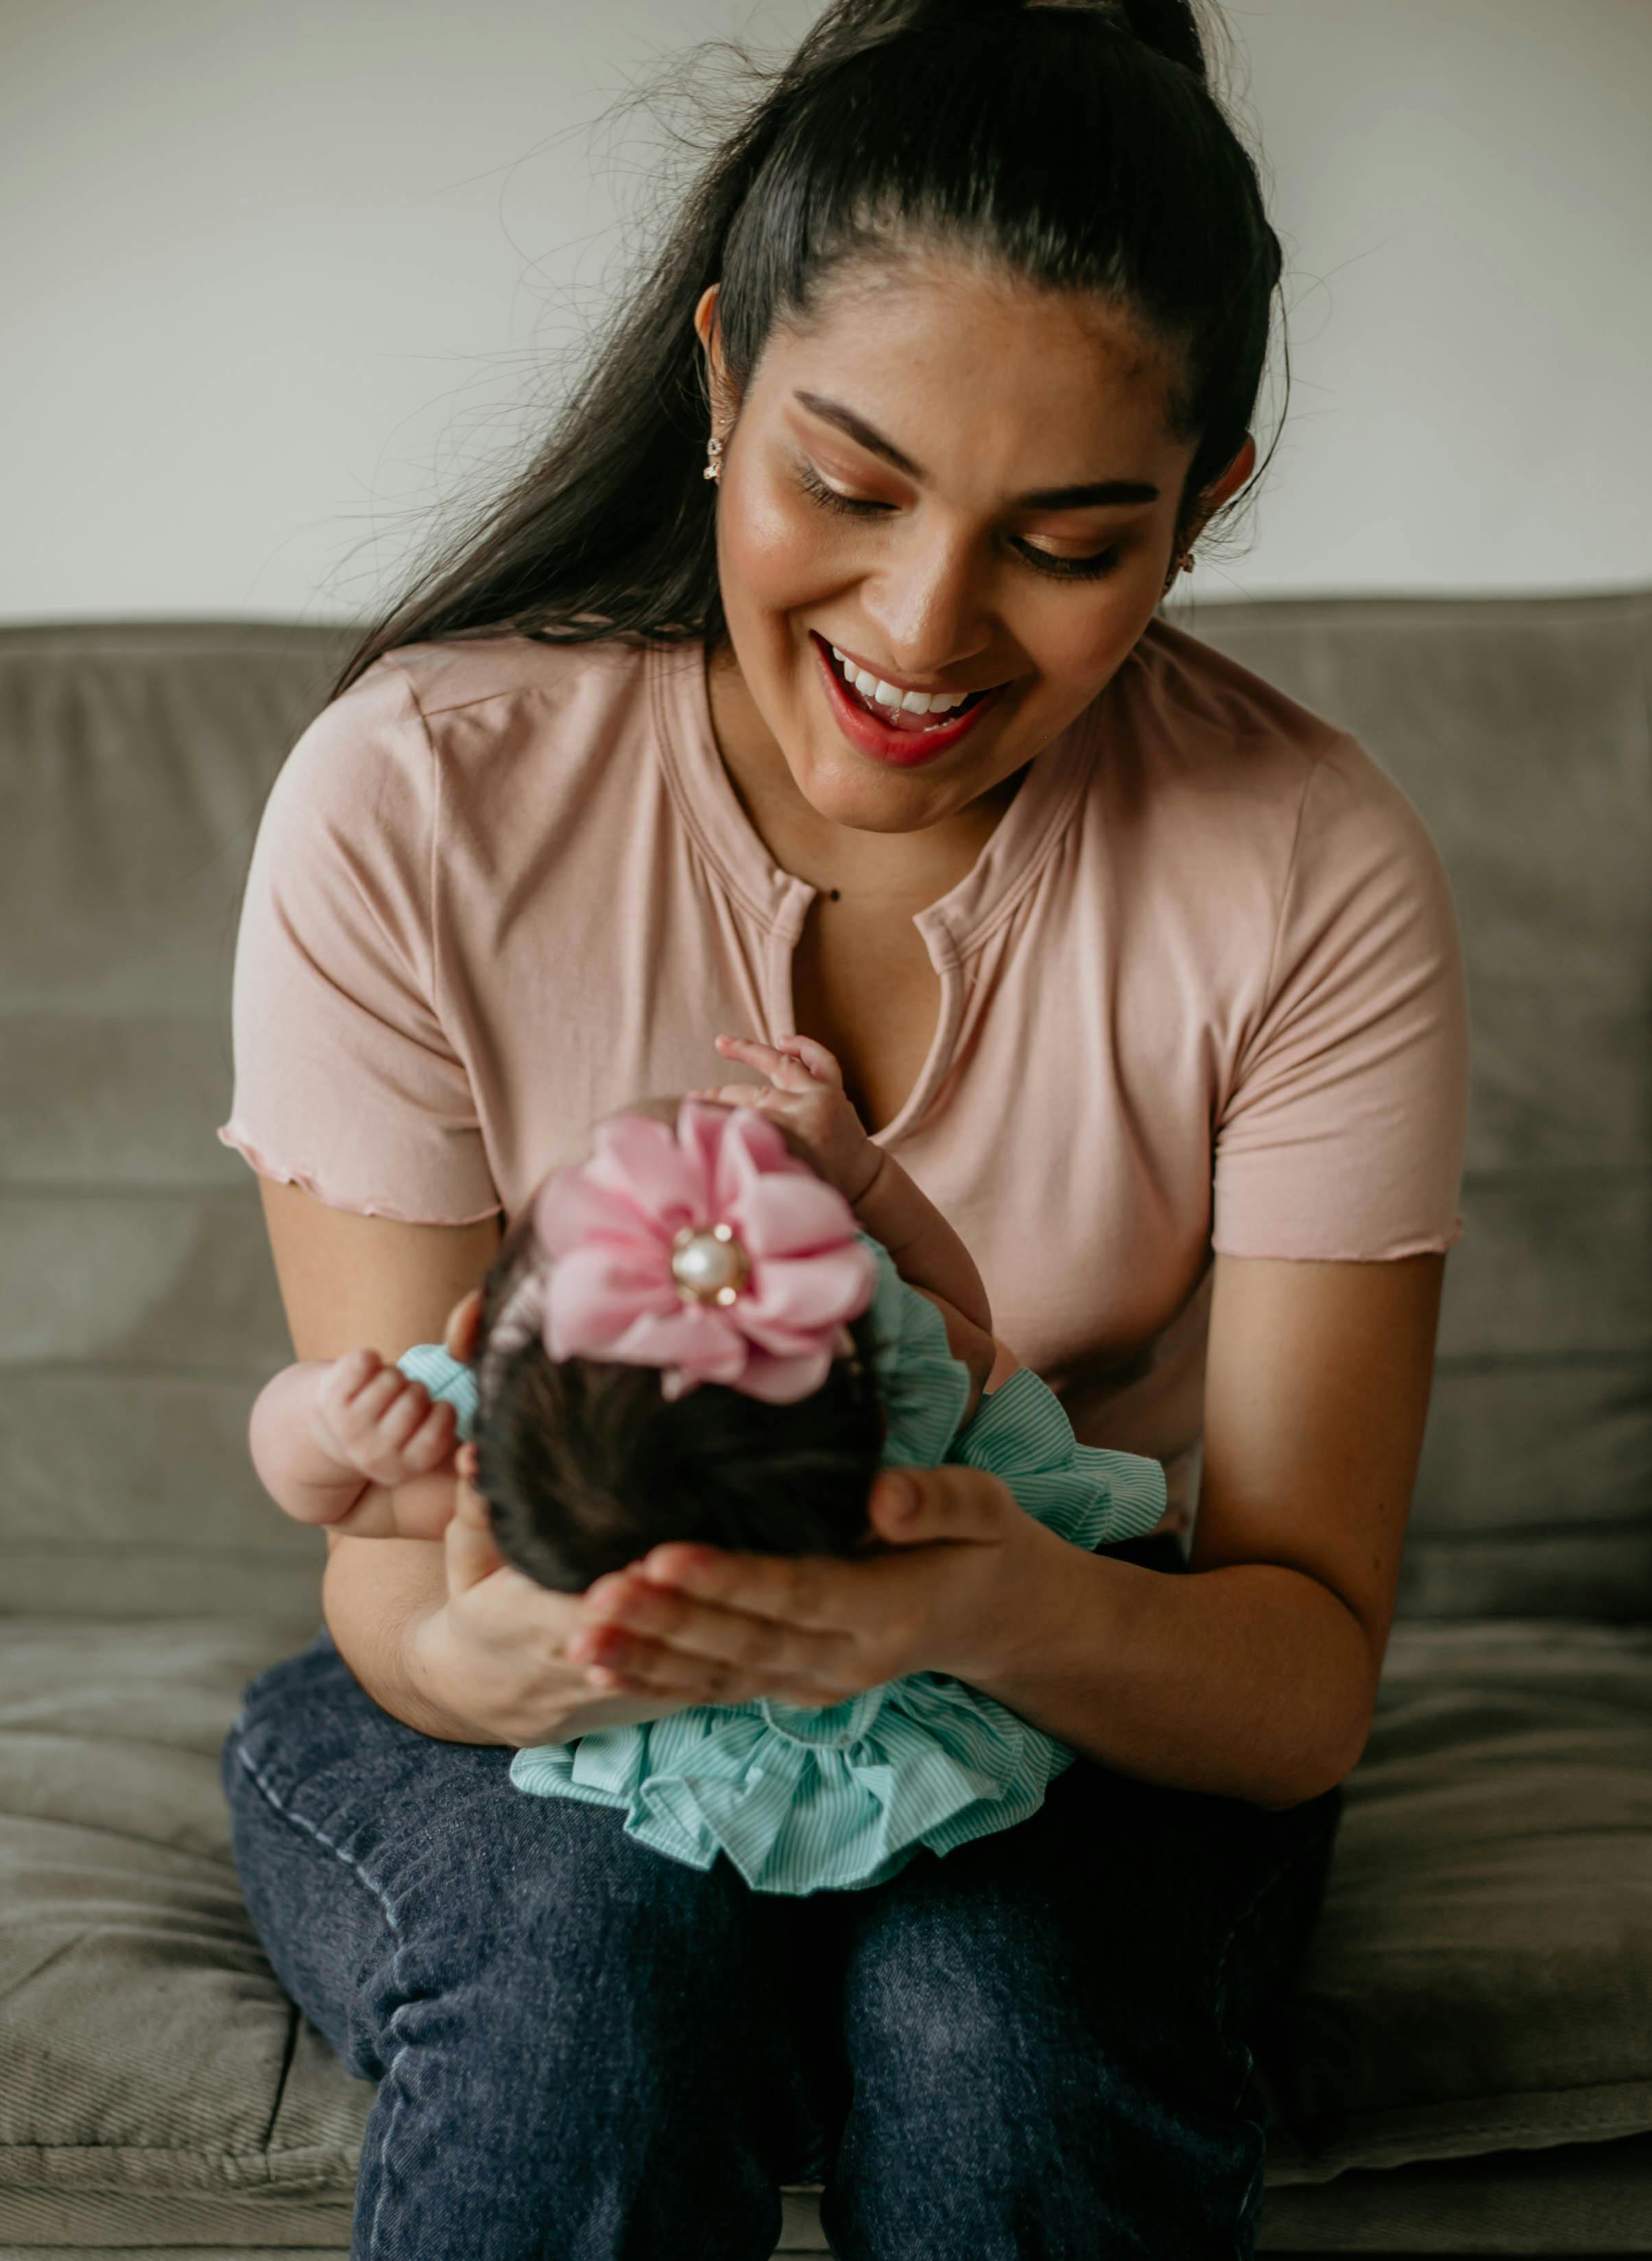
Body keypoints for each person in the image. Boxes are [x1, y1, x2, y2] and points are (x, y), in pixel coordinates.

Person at [216, 0, 1469, 2251]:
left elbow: (1293, 1672)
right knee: (597, 1953)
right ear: (719, 378)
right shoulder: (418, 799)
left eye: (1070, 539)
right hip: (542, 1682)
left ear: (1205, 509)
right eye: (851, 481)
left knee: (996, 2006)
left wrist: (990, 1608)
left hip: (1077, 1673)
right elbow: (396, 1548)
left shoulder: (1301, 860)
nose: (921, 622)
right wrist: (561, 1646)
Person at [243, 1049, 1171, 1896]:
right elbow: (963, 1318)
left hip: (667, 1770)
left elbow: (335, 1497)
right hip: (877, 1734)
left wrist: (328, 1416)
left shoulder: (509, 1434)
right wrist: (870, 1179)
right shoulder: (881, 1384)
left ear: (479, 1330)